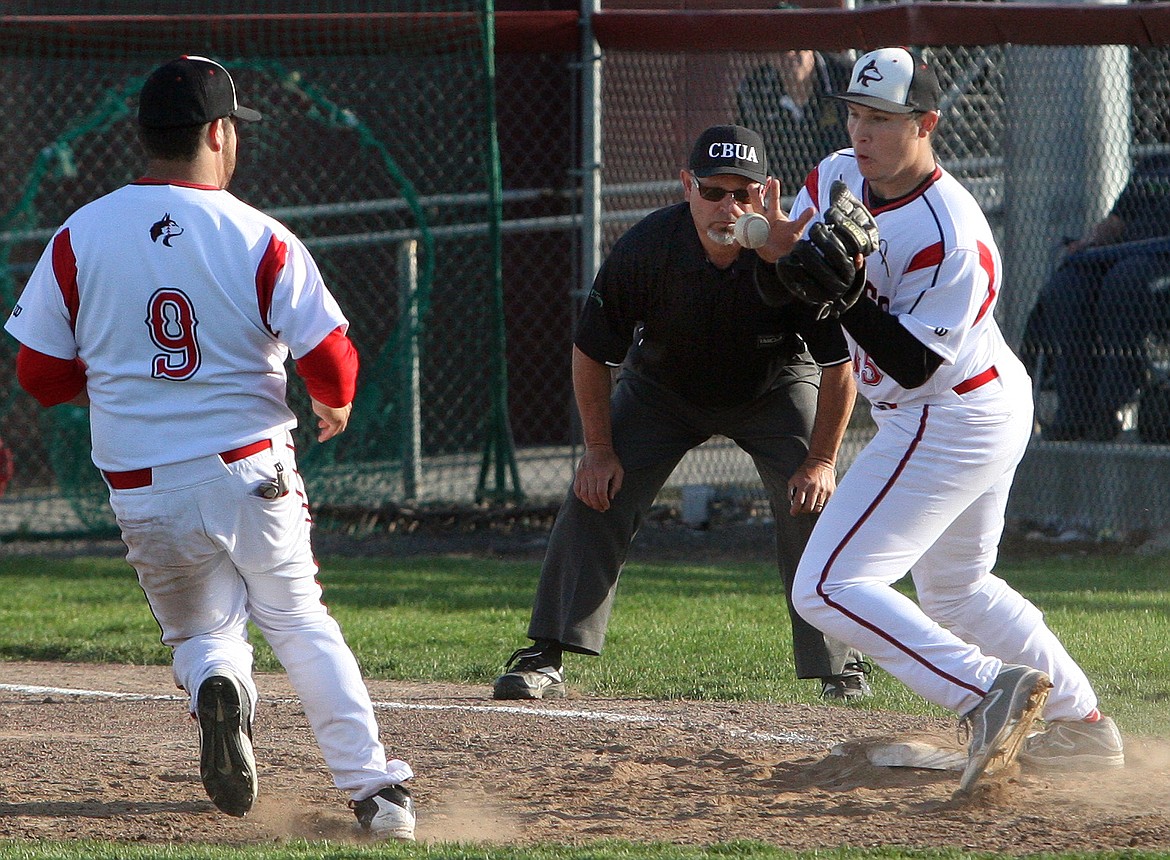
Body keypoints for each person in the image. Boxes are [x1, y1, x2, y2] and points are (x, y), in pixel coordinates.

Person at [4, 56, 416, 839]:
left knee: (200, 632)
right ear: (220, 133)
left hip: (140, 480)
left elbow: (38, 373)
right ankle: (376, 794)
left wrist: (120, 387)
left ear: (145, 137)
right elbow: (330, 356)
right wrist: (338, 400)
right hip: (249, 465)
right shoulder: (257, 234)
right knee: (296, 619)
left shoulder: (80, 232)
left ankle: (220, 682)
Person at [764, 48, 1124, 791]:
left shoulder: (954, 233)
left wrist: (851, 298)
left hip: (949, 412)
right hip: (961, 407)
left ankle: (986, 691)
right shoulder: (835, 174)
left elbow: (914, 365)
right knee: (957, 589)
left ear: (926, 123)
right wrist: (766, 247)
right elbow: (792, 261)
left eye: (883, 120)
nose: (862, 132)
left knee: (825, 586)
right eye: (855, 115)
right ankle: (1083, 725)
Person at [494, 124, 872, 704]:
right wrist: (598, 451)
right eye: (713, 191)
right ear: (686, 188)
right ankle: (547, 650)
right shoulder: (649, 247)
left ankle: (840, 663)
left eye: (743, 193)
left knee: (811, 496)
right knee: (597, 489)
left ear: (766, 194)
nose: (729, 206)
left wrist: (821, 460)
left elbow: (836, 368)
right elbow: (591, 353)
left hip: (774, 384)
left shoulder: (789, 255)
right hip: (663, 388)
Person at [1025, 153, 1170, 441]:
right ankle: (1074, 411)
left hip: (1159, 261)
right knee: (1070, 284)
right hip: (1127, 255)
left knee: (1124, 282)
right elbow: (1117, 221)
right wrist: (1090, 241)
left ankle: (1110, 404)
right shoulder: (1154, 166)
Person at [736, 48, 852, 199]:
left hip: (838, 191)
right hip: (778, 195)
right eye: (781, 48)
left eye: (798, 48)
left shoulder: (843, 78)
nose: (789, 54)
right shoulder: (754, 87)